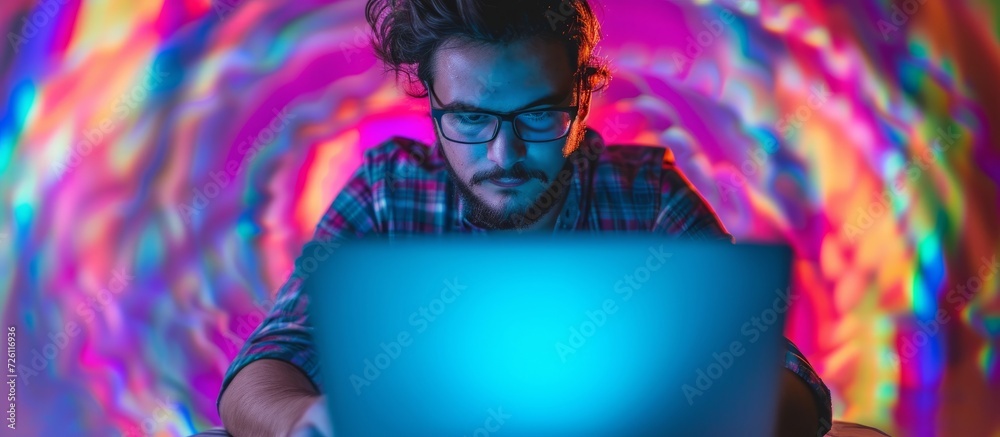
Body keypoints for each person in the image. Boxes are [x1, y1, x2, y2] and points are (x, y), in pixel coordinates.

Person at [217, 0, 832, 435]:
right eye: (470, 119)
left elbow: (786, 381)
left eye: (539, 116)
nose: (503, 155)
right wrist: (301, 422)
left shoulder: (648, 197)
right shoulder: (387, 192)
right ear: (431, 105)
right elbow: (271, 359)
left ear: (582, 99)